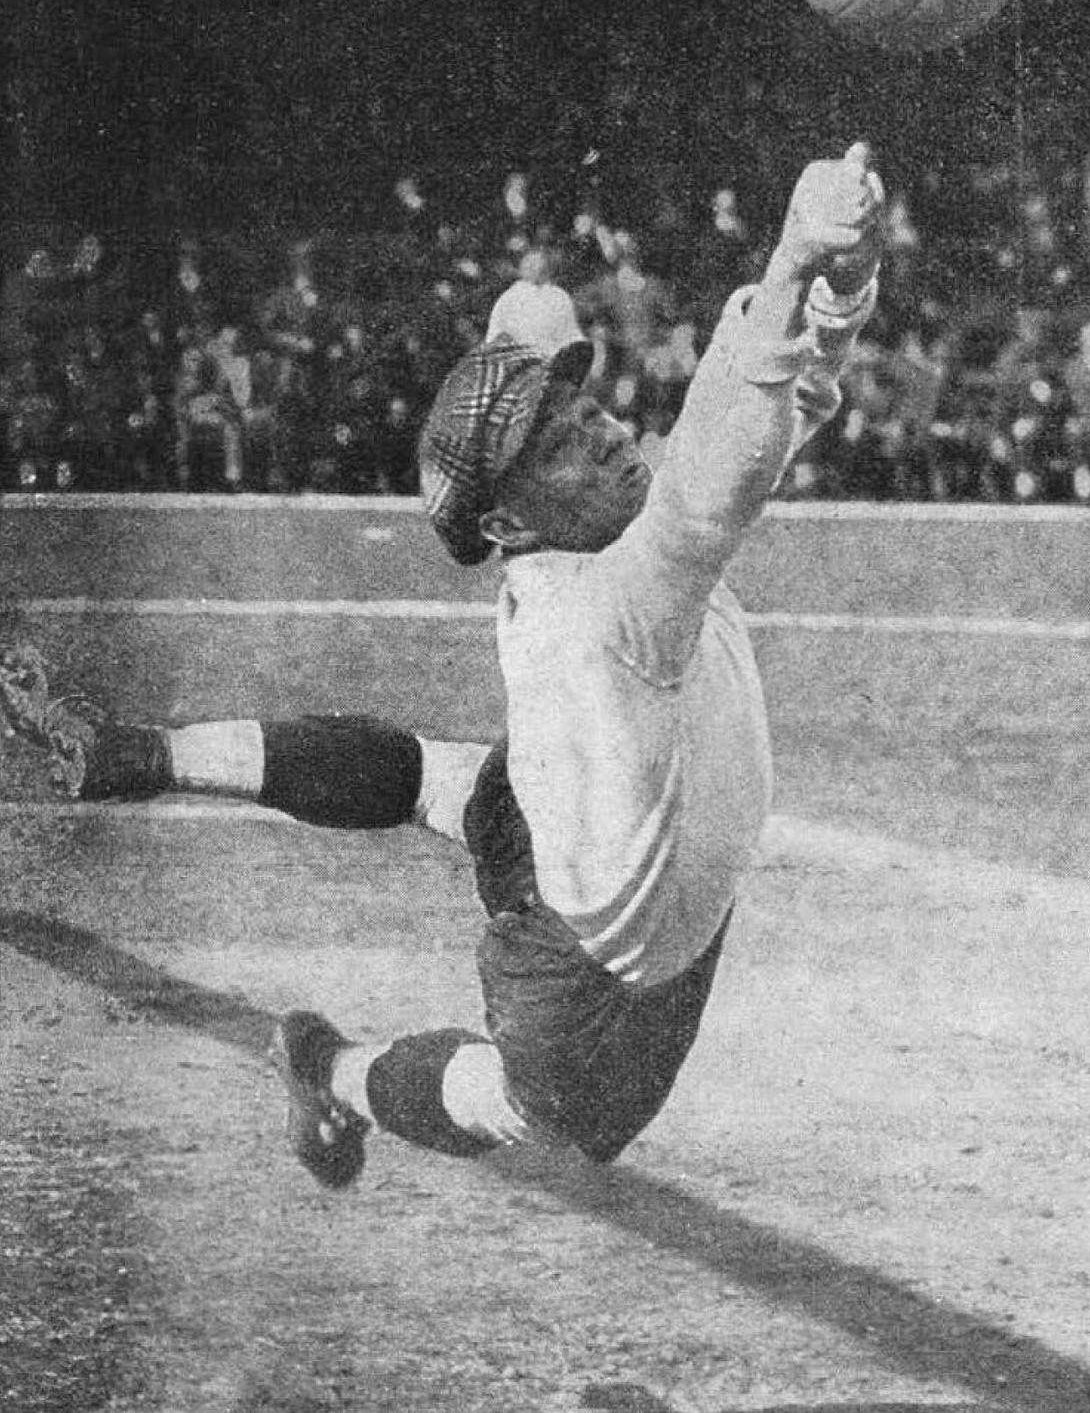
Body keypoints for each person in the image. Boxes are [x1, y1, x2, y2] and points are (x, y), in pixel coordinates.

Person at [1, 143, 886, 1187]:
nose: (604, 434)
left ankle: (140, 755)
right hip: (593, 962)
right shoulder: (613, 598)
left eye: (580, 411)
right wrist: (794, 264)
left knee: (443, 782)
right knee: (543, 1111)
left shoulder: (587, 551)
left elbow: (774, 410)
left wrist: (834, 290)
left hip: (584, 805)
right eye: (557, 442)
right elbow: (720, 466)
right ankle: (330, 1072)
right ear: (507, 519)